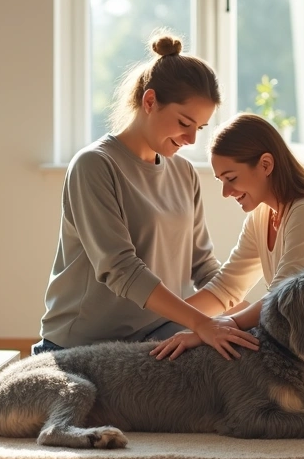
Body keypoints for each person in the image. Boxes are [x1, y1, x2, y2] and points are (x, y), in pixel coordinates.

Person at [34, 33, 260, 359]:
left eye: (200, 127)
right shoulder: (94, 165)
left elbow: (203, 266)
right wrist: (201, 324)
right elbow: (121, 268)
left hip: (158, 337)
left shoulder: (183, 173)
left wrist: (251, 321)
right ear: (150, 102)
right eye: (185, 123)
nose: (191, 139)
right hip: (85, 345)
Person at [150, 113, 304, 410]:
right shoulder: (262, 215)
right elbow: (227, 287)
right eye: (221, 182)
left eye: (231, 179)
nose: (227, 192)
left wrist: (211, 329)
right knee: (221, 344)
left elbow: (279, 303)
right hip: (303, 347)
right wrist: (169, 322)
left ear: (266, 165)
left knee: (235, 348)